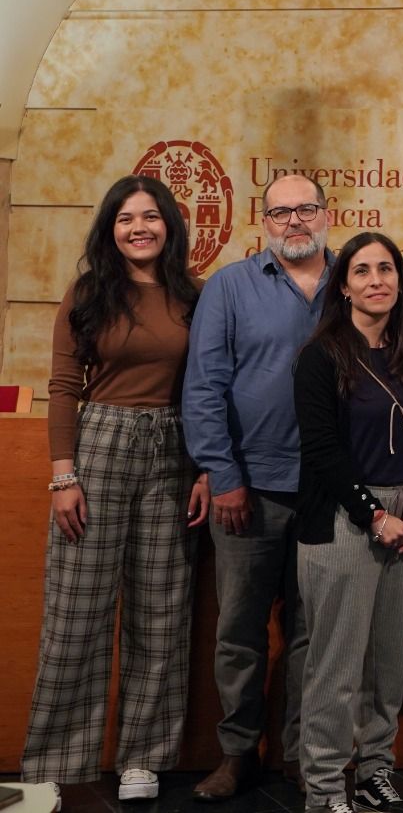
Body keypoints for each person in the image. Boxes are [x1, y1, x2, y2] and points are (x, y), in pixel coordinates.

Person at [24, 176, 207, 805]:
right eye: (126, 219)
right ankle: (55, 760)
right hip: (98, 446)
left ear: (170, 227)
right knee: (76, 611)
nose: (139, 228)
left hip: (174, 449)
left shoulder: (194, 296)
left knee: (162, 611)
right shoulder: (89, 292)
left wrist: (207, 466)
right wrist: (63, 474)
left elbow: (208, 388)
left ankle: (143, 757)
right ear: (110, 228)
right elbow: (62, 385)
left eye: (151, 217)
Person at [184, 173, 333, 801]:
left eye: (305, 210)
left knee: (314, 634)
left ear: (327, 214)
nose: (293, 221)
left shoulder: (355, 282)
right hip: (249, 488)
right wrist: (222, 475)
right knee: (239, 631)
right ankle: (238, 753)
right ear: (263, 221)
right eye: (280, 212)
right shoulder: (230, 286)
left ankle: (303, 755)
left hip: (330, 492)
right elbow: (204, 386)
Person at [294, 232, 403, 813]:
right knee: (336, 665)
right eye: (363, 270)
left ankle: (377, 768)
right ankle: (327, 786)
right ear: (344, 285)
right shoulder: (320, 355)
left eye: (387, 269)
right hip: (346, 521)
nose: (377, 279)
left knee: (388, 661)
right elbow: (321, 452)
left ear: (400, 284)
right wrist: (374, 515)